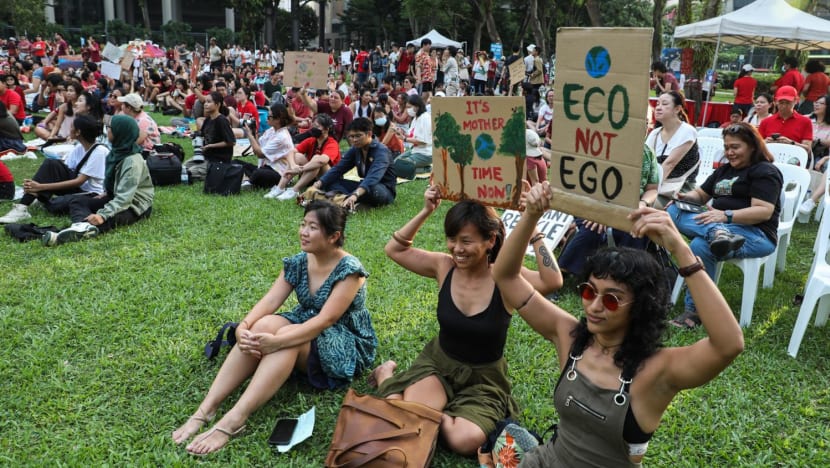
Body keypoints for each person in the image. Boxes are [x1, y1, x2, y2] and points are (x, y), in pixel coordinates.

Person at [490, 181, 744, 466]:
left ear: (641, 307)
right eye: (588, 291)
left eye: (612, 300)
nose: (594, 306)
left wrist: (680, 249)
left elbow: (729, 344)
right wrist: (531, 215)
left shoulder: (657, 370)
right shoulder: (570, 337)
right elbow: (506, 276)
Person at [172, 200, 377, 455]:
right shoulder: (300, 261)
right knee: (263, 326)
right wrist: (243, 327)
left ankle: (234, 420)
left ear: (334, 236)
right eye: (303, 224)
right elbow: (270, 301)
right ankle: (205, 410)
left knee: (285, 336)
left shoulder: (350, 271)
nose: (303, 232)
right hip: (307, 323)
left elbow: (326, 320)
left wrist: (278, 342)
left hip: (344, 340)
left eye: (312, 227)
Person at [370, 185, 562, 456]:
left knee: (463, 441)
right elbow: (395, 249)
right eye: (452, 239)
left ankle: (410, 403)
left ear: (490, 241)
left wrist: (531, 223)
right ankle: (388, 377)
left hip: (483, 378)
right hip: (438, 364)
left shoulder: (506, 277)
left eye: (466, 241)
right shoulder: (443, 266)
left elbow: (552, 280)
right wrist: (427, 210)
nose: (456, 249)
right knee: (412, 420)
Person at [668, 122, 782, 328]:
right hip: (720, 226)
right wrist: (686, 198)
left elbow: (763, 211)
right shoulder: (725, 171)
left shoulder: (765, 171)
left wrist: (726, 216)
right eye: (727, 147)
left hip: (756, 234)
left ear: (752, 146)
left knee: (700, 246)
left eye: (735, 147)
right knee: (672, 210)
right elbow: (702, 195)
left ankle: (695, 311)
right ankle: (717, 234)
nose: (729, 152)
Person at [42, 116, 154, 246]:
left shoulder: (133, 161)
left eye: (109, 128)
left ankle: (76, 232)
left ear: (119, 132)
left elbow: (125, 198)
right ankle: (80, 227)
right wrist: (107, 192)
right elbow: (112, 180)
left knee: (110, 219)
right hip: (115, 197)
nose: (107, 131)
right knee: (77, 201)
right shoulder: (116, 152)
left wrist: (102, 215)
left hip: (135, 205)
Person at [558, 145, 659, 275]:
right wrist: (603, 211)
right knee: (592, 229)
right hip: (593, 202)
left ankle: (625, 275)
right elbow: (584, 184)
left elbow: (652, 189)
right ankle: (561, 272)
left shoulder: (647, 152)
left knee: (635, 231)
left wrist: (643, 203)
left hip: (629, 208)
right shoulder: (601, 144)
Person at [0, 115, 108, 224]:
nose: (69, 129)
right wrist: (40, 183)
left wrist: (40, 187)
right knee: (51, 164)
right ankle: (22, 207)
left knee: (54, 206)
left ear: (78, 132)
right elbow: (62, 170)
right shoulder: (80, 147)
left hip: (92, 194)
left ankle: (31, 199)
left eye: (71, 127)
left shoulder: (99, 151)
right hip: (79, 188)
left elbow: (78, 182)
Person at [311, 118, 397, 210]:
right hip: (363, 186)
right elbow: (338, 169)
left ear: (369, 134)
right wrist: (317, 184)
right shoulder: (356, 149)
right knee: (329, 182)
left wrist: (356, 194)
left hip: (382, 190)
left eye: (358, 136)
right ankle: (348, 201)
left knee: (372, 188)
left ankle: (348, 199)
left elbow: (373, 177)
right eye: (351, 136)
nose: (354, 140)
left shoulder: (381, 151)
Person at [267, 114, 341, 201]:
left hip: (328, 178)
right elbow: (291, 152)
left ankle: (294, 190)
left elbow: (322, 161)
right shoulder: (312, 140)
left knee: (317, 159)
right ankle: (280, 188)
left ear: (326, 129)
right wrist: (293, 165)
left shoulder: (332, 143)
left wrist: (300, 169)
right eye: (313, 126)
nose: (313, 129)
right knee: (297, 156)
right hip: (311, 175)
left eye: (317, 126)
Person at [645, 91, 699, 208]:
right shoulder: (654, 134)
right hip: (655, 186)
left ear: (677, 109)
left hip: (680, 189)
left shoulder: (687, 131)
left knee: (642, 205)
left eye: (664, 104)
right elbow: (645, 164)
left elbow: (669, 164)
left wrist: (647, 191)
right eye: (658, 104)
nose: (658, 107)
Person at [238, 102, 295, 191]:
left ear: (278, 119)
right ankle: (249, 181)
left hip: (279, 172)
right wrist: (254, 131)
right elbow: (258, 145)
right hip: (266, 166)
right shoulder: (272, 130)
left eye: (269, 117)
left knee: (259, 173)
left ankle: (248, 181)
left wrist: (249, 135)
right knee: (236, 163)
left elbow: (260, 154)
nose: (266, 119)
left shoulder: (282, 137)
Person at [184, 91, 236, 181]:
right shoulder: (208, 119)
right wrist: (195, 136)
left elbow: (231, 142)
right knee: (182, 167)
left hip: (218, 160)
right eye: (205, 102)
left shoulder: (222, 120)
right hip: (205, 157)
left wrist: (210, 146)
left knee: (189, 173)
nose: (205, 104)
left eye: (209, 102)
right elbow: (203, 135)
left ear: (217, 104)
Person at [758, 85, 813, 160]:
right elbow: (755, 145)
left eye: (788, 103)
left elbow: (807, 149)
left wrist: (791, 143)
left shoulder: (805, 121)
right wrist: (765, 142)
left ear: (796, 101)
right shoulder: (766, 122)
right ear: (776, 102)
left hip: (793, 159)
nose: (784, 106)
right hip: (769, 159)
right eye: (781, 102)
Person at [799, 94, 830, 216]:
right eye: (815, 102)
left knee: (828, 167)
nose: (816, 105)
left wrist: (825, 158)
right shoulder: (805, 119)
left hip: (822, 156)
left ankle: (811, 201)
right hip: (803, 152)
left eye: (820, 103)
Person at [393, 94, 432, 180]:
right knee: (395, 163)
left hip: (425, 153)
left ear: (417, 106)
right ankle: (422, 168)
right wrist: (401, 133)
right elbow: (412, 135)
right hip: (415, 150)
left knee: (401, 166)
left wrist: (405, 139)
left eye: (409, 107)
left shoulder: (425, 118)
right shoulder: (415, 118)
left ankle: (427, 169)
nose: (407, 110)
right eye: (406, 107)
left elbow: (423, 141)